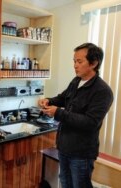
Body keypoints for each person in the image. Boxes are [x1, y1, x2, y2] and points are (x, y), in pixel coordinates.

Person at [38, 43, 113, 188]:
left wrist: (58, 112)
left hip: (81, 153)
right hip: (64, 147)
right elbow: (63, 98)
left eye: (79, 61)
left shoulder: (103, 91)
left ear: (94, 63)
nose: (75, 65)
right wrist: (49, 100)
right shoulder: (76, 81)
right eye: (74, 61)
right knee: (65, 184)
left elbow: (90, 122)